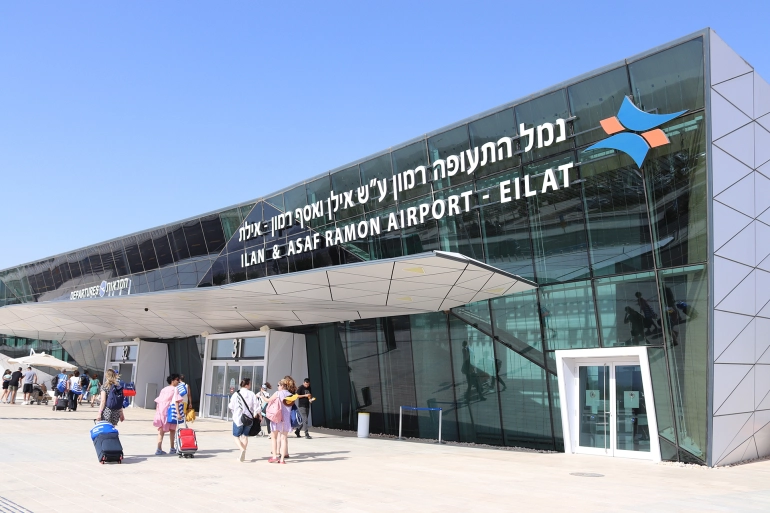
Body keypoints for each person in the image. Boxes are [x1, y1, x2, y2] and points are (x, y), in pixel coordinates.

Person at [228, 377, 261, 462]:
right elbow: (257, 406)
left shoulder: (236, 394)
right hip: (249, 418)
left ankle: (242, 449)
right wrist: (258, 415)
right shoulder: (252, 394)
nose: (250, 385)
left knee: (236, 436)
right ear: (247, 385)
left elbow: (231, 406)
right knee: (245, 436)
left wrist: (235, 412)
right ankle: (242, 454)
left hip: (238, 418)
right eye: (249, 383)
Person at [153, 374, 183, 456]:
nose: (178, 382)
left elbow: (159, 401)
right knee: (172, 430)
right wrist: (178, 413)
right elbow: (176, 401)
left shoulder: (163, 389)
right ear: (172, 380)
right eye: (177, 380)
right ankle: (172, 448)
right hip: (170, 411)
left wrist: (158, 411)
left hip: (161, 411)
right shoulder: (175, 389)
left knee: (161, 430)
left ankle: (159, 449)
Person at [267, 378, 293, 464]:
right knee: (284, 438)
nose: (277, 387)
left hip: (277, 418)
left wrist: (261, 396)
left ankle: (274, 456)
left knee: (274, 437)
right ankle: (282, 459)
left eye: (278, 385)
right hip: (286, 419)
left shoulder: (278, 393)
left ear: (282, 386)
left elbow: (268, 400)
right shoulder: (290, 395)